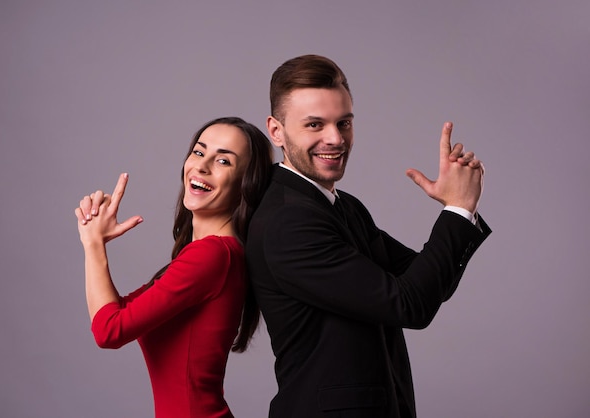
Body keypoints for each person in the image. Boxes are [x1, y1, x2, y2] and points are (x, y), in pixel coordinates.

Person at [245, 54, 492, 417]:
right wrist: (457, 210)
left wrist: (461, 210)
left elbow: (428, 283)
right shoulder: (288, 222)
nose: (335, 139)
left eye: (343, 122)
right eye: (314, 125)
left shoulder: (342, 206)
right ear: (276, 130)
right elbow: (411, 305)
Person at [74, 117, 273, 418]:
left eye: (222, 160)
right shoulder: (210, 255)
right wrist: (94, 236)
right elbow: (117, 311)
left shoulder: (212, 256)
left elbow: (109, 331)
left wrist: (93, 245)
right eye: (198, 152)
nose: (202, 166)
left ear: (246, 183)